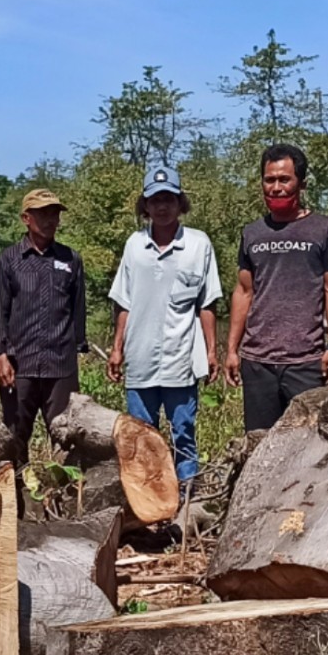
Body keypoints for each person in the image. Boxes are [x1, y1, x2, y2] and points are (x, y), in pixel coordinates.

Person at [108, 163, 222, 493]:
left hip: (180, 359)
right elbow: (123, 302)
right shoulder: (134, 246)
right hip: (140, 358)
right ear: (145, 205)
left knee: (183, 433)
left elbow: (207, 303)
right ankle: (147, 505)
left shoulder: (198, 245)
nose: (162, 206)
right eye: (155, 200)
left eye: (169, 199)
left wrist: (212, 351)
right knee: (141, 438)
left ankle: (186, 502)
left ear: (179, 203)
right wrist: (117, 348)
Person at [222, 143, 328, 432]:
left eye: (284, 179)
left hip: (306, 361)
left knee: (308, 444)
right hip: (257, 362)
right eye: (270, 180)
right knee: (259, 445)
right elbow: (243, 291)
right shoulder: (251, 233)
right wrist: (231, 349)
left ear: (300, 183)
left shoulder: (326, 230)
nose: (276, 188)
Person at [0, 187, 88, 465]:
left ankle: (61, 503)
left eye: (54, 213)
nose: (50, 220)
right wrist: (0, 355)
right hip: (20, 364)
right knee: (14, 438)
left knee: (66, 440)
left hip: (60, 366)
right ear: (26, 218)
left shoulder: (71, 259)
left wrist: (77, 346)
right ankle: (18, 503)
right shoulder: (9, 260)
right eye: (42, 213)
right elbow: (0, 309)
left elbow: (78, 308)